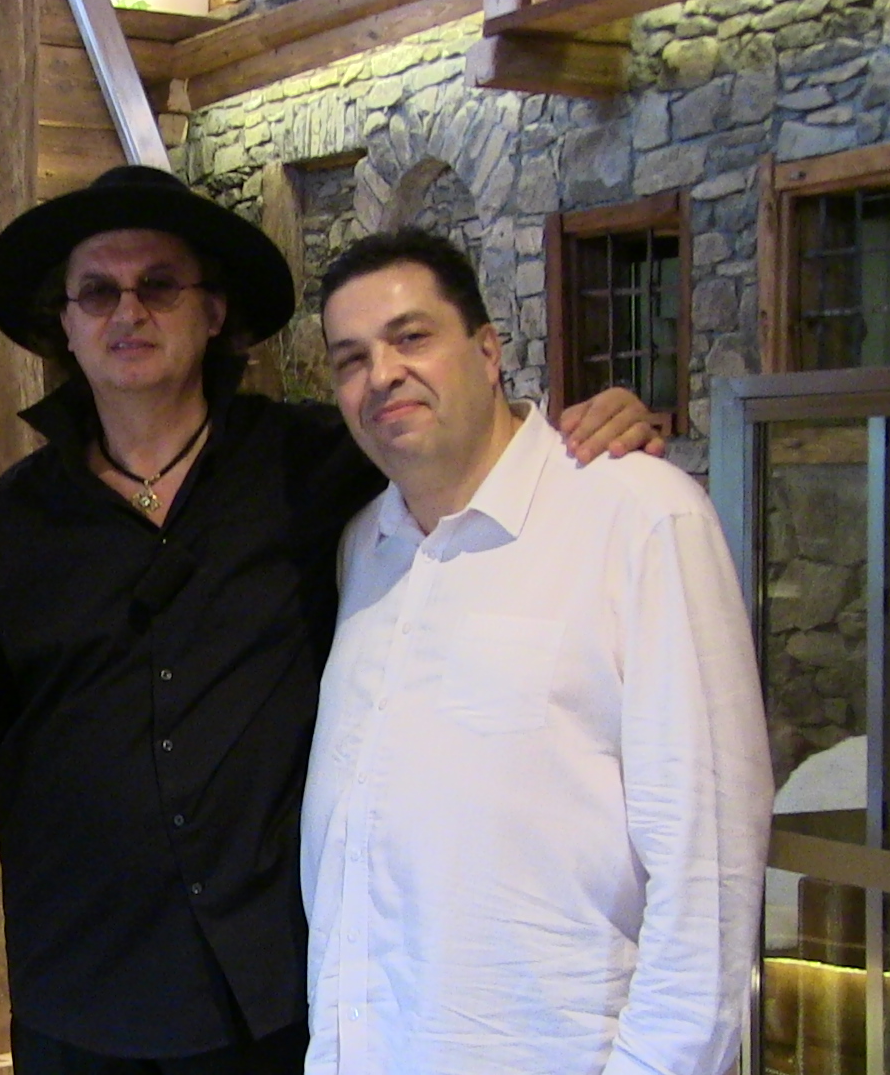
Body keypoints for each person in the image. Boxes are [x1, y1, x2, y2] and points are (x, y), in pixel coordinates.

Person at [0, 165, 664, 1074]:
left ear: (213, 311)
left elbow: (464, 443)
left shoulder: (319, 466)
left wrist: (585, 423)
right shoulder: (15, 522)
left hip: (274, 1001)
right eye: (97, 291)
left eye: (159, 285)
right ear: (64, 322)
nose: (127, 312)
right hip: (80, 997)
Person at [301, 228, 772, 1075]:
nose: (383, 374)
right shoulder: (364, 547)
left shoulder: (637, 516)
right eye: (351, 359)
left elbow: (708, 868)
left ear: (488, 352)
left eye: (411, 337)